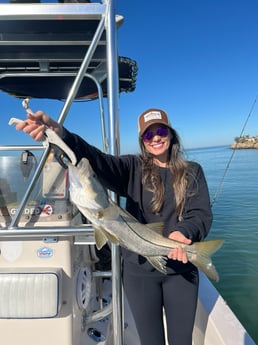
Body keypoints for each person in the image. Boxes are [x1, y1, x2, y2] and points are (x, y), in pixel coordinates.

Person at [15, 108, 212, 345]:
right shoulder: (132, 168)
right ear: (142, 141)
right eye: (149, 135)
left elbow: (200, 213)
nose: (156, 138)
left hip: (181, 270)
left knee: (182, 341)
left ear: (171, 134)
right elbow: (97, 160)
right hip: (139, 274)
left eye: (161, 131)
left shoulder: (192, 171)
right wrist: (61, 134)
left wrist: (185, 233)